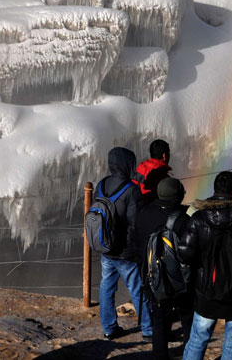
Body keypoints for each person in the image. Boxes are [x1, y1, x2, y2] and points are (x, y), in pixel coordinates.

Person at [178, 171, 232, 360]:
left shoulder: (199, 218)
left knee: (198, 338)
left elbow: (185, 253)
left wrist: (204, 265)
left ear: (214, 190)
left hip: (207, 289)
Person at [96, 146, 153, 341]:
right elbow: (134, 222)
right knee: (137, 287)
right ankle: (148, 329)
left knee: (106, 287)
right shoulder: (132, 191)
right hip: (125, 251)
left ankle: (109, 328)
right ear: (127, 165)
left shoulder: (101, 185)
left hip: (105, 246)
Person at [135, 177, 194, 359]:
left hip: (154, 278)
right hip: (179, 280)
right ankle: (189, 353)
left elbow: (136, 245)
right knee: (187, 318)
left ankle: (160, 355)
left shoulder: (143, 213)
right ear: (177, 196)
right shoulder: (184, 219)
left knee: (160, 319)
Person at [136, 139, 173, 204]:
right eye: (169, 153)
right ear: (164, 156)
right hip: (151, 209)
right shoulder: (161, 176)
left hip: (137, 207)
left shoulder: (140, 168)